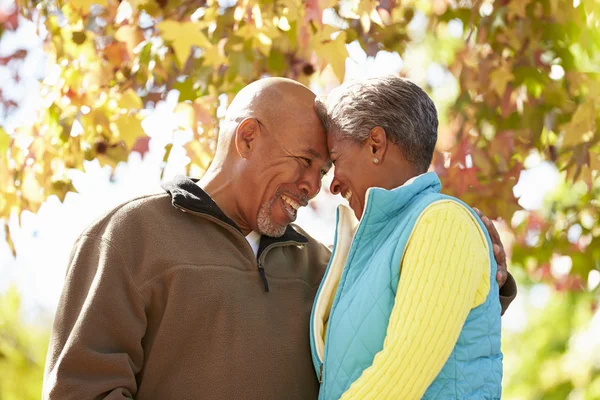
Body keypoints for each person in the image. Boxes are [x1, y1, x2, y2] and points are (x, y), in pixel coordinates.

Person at [43, 78, 515, 399]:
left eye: (325, 169)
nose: (315, 186)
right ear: (247, 138)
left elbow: (403, 326)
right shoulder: (130, 235)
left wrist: (484, 265)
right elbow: (83, 387)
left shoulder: (322, 265)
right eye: (305, 161)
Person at [310, 75, 507, 400]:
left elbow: (400, 375)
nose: (331, 185)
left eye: (335, 160)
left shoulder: (444, 223)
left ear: (376, 144)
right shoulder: (369, 250)